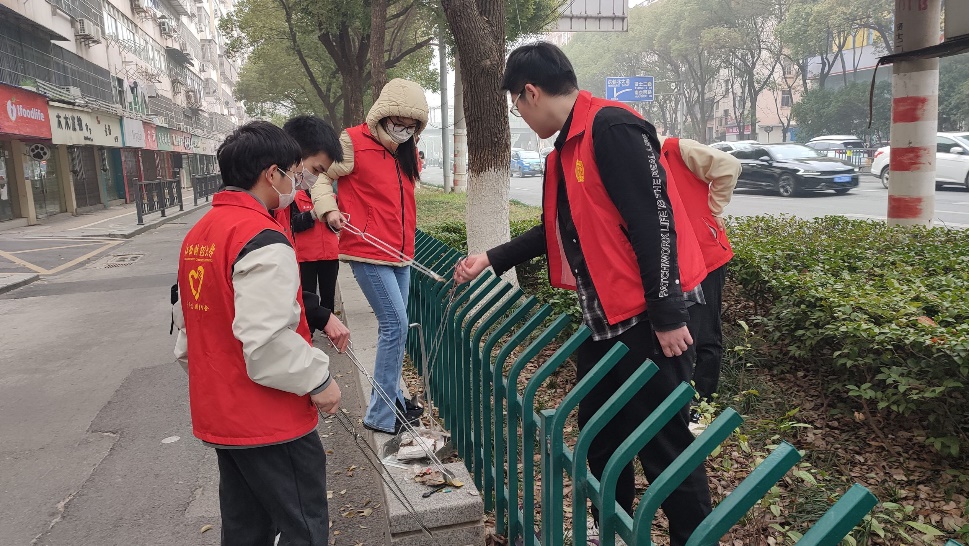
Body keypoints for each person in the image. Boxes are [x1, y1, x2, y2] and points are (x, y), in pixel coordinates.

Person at [453, 42, 714, 546]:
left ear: (530, 92)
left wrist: (667, 315)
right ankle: (610, 529)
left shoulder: (610, 128)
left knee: (664, 445)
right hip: (608, 319)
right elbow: (557, 229)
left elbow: (654, 222)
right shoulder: (568, 148)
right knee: (600, 433)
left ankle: (694, 538)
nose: (520, 115)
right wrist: (491, 258)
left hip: (651, 317)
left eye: (516, 105)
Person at [172, 121, 349, 546]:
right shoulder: (262, 238)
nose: (298, 183)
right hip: (271, 420)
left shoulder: (200, 233)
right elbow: (268, 339)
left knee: (245, 530)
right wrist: (319, 380)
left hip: (222, 415)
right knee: (304, 528)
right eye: (296, 172)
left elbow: (187, 333)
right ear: (272, 174)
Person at [310, 78, 428, 435]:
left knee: (397, 327)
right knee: (395, 325)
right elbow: (320, 179)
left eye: (411, 126)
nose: (403, 131)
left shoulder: (407, 151)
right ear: (382, 115)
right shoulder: (352, 141)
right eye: (398, 123)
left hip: (400, 253)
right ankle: (380, 414)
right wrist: (329, 210)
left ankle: (391, 398)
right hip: (368, 251)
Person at [658, 137, 740, 409]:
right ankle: (679, 398)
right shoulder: (629, 159)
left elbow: (728, 165)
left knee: (705, 333)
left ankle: (703, 401)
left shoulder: (676, 149)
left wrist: (713, 210)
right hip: (670, 259)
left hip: (705, 256)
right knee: (679, 329)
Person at [278, 115, 344, 316]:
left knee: (327, 295)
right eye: (316, 170)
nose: (315, 180)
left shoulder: (328, 197)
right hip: (306, 256)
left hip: (329, 254)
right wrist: (313, 215)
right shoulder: (286, 199)